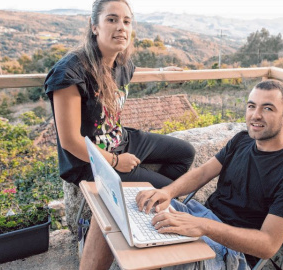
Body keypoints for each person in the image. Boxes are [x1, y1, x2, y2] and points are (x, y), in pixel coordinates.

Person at [44, 0, 195, 269]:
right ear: (94, 27)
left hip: (121, 139)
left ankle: (138, 210)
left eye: (126, 21)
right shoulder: (70, 72)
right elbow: (69, 140)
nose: (121, 27)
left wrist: (161, 72)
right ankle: (140, 215)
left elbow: (135, 72)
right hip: (93, 161)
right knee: (165, 190)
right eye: (112, 20)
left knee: (186, 153)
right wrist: (116, 162)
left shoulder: (119, 61)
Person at [136, 79, 283, 269]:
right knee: (140, 206)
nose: (256, 115)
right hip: (200, 217)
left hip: (232, 251)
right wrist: (167, 192)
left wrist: (203, 226)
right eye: (251, 106)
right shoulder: (242, 140)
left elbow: (268, 245)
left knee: (165, 255)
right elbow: (203, 172)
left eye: (268, 109)